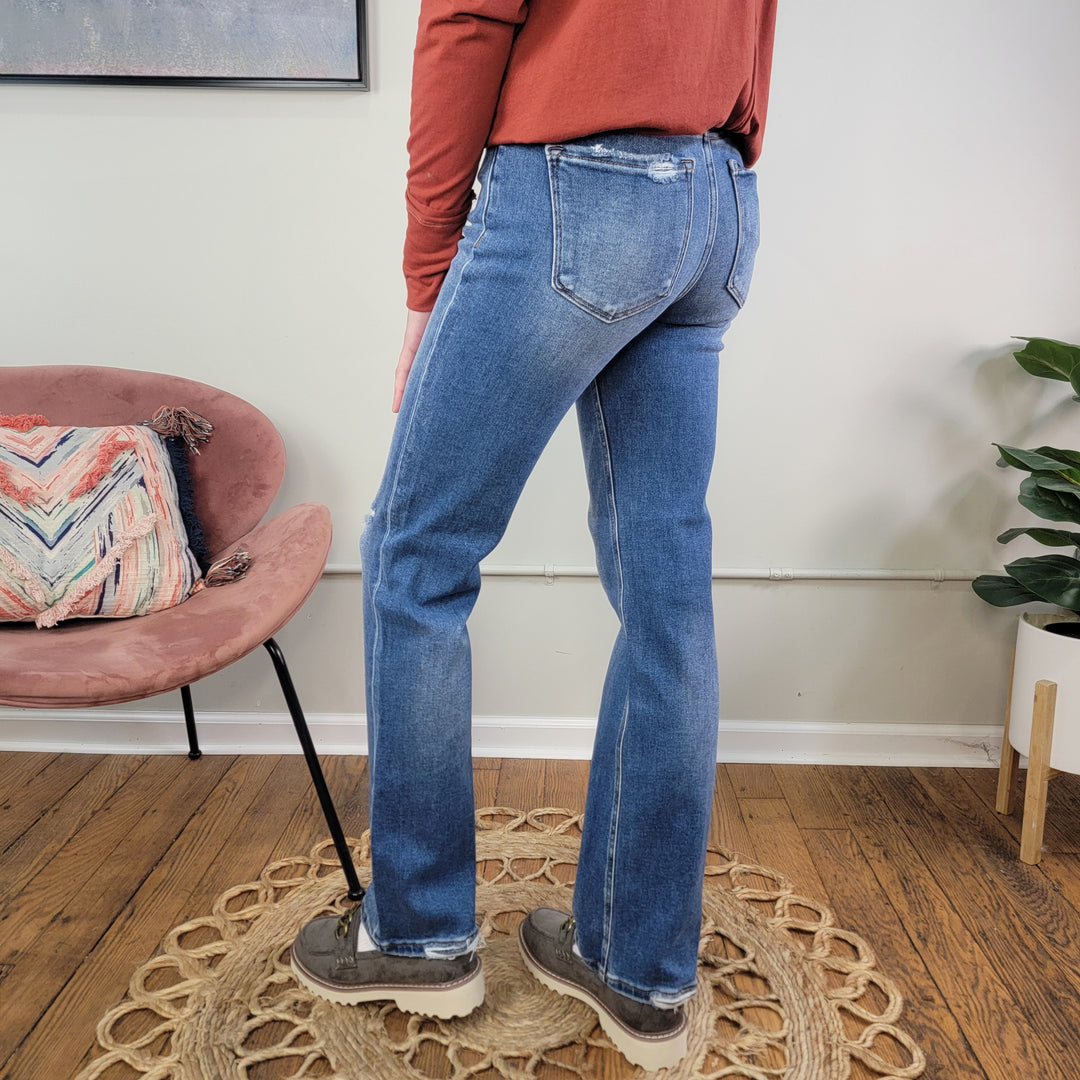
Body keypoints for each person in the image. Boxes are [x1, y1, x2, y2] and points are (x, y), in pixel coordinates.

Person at [291, 0, 777, 1069]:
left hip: (579, 186)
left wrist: (429, 280)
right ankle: (637, 966)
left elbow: (466, 15)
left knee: (417, 557)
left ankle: (418, 933)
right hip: (715, 196)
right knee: (668, 594)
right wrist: (725, 142)